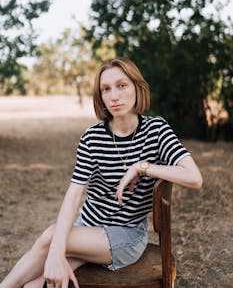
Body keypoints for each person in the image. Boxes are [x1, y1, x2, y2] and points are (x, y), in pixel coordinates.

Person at [0, 57, 203, 288]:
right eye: (106, 89)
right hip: (86, 226)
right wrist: (58, 252)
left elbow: (194, 178)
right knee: (34, 285)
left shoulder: (156, 130)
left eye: (122, 85)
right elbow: (74, 194)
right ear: (101, 96)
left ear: (137, 87)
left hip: (125, 235)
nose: (114, 96)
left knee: (49, 238)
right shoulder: (92, 137)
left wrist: (141, 167)